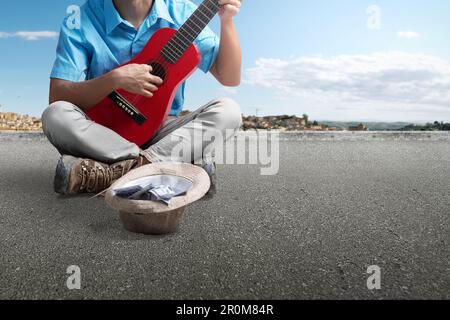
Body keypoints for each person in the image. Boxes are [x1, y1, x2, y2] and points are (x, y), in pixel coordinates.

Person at [41, 0, 243, 196]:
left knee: (229, 112)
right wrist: (115, 79)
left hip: (161, 131)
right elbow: (58, 94)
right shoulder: (81, 18)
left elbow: (229, 77)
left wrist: (227, 21)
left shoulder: (183, 12)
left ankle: (112, 171)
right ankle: (166, 168)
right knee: (55, 115)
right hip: (100, 131)